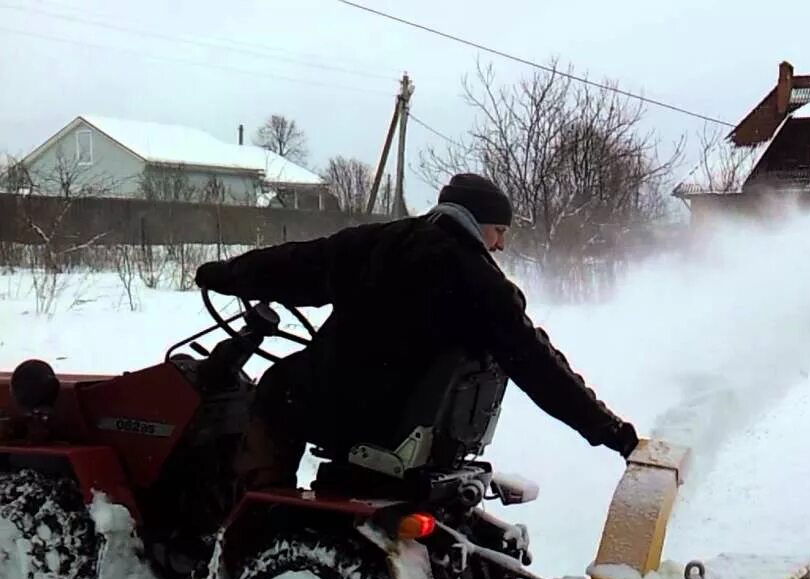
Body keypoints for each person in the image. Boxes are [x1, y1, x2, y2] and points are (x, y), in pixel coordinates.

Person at [193, 172, 639, 505]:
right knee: (293, 379)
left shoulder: (378, 242)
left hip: (353, 412)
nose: (500, 244)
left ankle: (254, 511)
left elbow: (295, 264)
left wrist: (221, 274)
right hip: (417, 425)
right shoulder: (484, 284)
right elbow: (540, 366)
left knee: (276, 387)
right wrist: (609, 431)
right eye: (500, 231)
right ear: (476, 221)